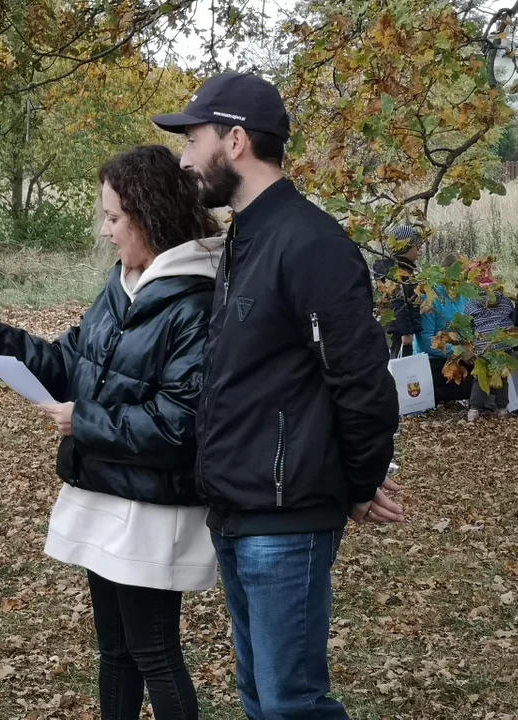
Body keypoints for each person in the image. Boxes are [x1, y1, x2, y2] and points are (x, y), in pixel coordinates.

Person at [0, 145, 222, 719]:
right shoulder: (122, 285)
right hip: (102, 488)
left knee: (154, 651)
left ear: (150, 215)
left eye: (114, 217)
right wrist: (0, 341)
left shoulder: (197, 302)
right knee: (114, 651)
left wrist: (82, 419)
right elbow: (71, 363)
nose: (106, 230)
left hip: (152, 505)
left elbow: (181, 423)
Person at [152, 72, 403, 719]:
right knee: (262, 699)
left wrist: (355, 482)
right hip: (237, 513)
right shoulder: (243, 237)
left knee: (292, 705)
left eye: (192, 138)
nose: (183, 157)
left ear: (234, 141)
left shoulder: (310, 242)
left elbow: (364, 382)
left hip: (287, 522)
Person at [414, 252, 473, 405]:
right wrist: (458, 351)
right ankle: (434, 396)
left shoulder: (465, 297)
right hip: (433, 360)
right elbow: (424, 342)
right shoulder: (431, 298)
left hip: (459, 356)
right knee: (468, 386)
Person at [463, 269, 516, 422]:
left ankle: (474, 410)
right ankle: (502, 409)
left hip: (483, 343)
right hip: (502, 341)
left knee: (480, 376)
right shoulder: (505, 300)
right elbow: (511, 315)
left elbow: (468, 322)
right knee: (502, 375)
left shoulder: (472, 302)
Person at [373, 226, 424, 359]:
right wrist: (405, 333)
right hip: (397, 335)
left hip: (402, 332)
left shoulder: (407, 270)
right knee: (400, 369)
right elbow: (396, 303)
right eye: (415, 246)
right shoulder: (394, 272)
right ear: (404, 247)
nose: (418, 250)